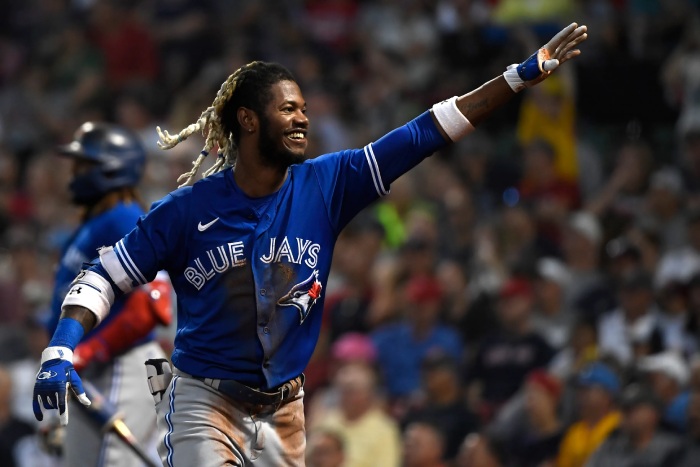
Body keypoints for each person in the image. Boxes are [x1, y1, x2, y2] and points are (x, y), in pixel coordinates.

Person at [32, 23, 588, 466]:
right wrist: (62, 344)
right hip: (205, 399)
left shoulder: (328, 183)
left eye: (303, 108)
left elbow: (424, 132)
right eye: (289, 109)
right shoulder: (187, 209)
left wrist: (517, 78)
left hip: (285, 411)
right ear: (248, 120)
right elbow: (106, 276)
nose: (303, 119)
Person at [41, 122, 173, 467]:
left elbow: (153, 304)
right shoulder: (92, 224)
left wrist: (88, 350)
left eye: (82, 164)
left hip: (123, 362)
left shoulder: (125, 217)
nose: (73, 173)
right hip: (93, 368)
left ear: (111, 168)